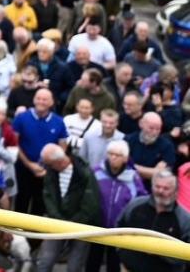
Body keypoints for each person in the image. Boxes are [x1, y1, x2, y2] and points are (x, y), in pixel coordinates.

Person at [36, 144, 101, 272]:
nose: (45, 167)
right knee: (45, 261)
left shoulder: (85, 173)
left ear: (59, 162)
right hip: (56, 222)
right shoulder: (51, 171)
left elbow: (90, 204)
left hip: (81, 226)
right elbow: (48, 196)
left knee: (74, 266)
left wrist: (73, 222)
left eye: (48, 164)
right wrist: (57, 217)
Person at [87, 140, 146, 272]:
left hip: (119, 230)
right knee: (92, 260)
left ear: (125, 158)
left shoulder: (133, 177)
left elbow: (141, 200)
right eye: (111, 153)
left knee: (113, 263)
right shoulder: (96, 172)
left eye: (117, 155)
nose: (113, 157)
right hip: (97, 226)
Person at [117, 170, 190, 272]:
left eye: (166, 188)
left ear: (176, 191)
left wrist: (159, 250)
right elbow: (118, 228)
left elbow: (187, 255)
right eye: (157, 186)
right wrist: (121, 252)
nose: (160, 191)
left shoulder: (185, 219)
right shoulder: (135, 205)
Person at [12, 89, 68, 216]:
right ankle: (17, 233)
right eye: (38, 98)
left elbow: (62, 147)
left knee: (40, 204)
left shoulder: (59, 122)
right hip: (23, 169)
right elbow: (15, 143)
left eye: (45, 99)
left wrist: (48, 167)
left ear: (51, 102)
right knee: (21, 201)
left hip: (47, 172)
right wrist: (30, 165)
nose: (41, 102)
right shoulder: (21, 118)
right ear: (34, 100)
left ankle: (33, 235)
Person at [126, 111, 176, 187]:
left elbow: (160, 175)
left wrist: (132, 167)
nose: (154, 132)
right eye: (151, 128)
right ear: (141, 124)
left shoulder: (167, 146)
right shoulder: (128, 140)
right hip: (128, 185)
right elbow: (121, 166)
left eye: (158, 129)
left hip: (152, 189)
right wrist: (150, 172)